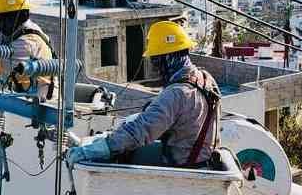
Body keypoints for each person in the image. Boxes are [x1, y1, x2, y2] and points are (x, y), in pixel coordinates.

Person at [67, 20, 221, 168]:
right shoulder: (206, 79)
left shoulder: (177, 94)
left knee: (122, 154)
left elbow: (139, 132)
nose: (155, 68)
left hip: (185, 167)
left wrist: (93, 150)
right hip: (203, 159)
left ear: (167, 57)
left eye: (155, 60)